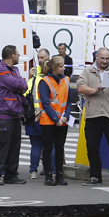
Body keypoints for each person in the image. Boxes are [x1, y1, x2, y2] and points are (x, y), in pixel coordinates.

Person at [77, 47, 109, 187]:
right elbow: (80, 88)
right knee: (92, 147)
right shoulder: (88, 71)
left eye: (107, 58)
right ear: (97, 57)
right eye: (102, 58)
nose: (105, 61)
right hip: (92, 115)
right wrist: (95, 90)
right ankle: (95, 176)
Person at [0, 44, 28, 185]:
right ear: (12, 56)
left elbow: (20, 85)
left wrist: (20, 84)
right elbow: (18, 84)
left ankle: (11, 175)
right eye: (17, 54)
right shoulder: (0, 70)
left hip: (14, 113)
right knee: (2, 146)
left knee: (14, 146)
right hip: (4, 113)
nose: (19, 56)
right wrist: (21, 84)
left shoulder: (14, 70)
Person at [38, 56, 72, 186]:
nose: (64, 68)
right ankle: (48, 176)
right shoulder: (45, 82)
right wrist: (56, 119)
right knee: (47, 148)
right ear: (54, 68)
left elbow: (69, 101)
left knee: (59, 148)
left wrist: (66, 116)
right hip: (48, 121)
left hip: (62, 121)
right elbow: (45, 103)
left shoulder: (67, 80)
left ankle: (59, 175)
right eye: (61, 66)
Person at [24, 48, 52, 179]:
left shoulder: (33, 78)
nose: (40, 60)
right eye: (39, 58)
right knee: (47, 146)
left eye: (42, 58)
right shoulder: (51, 77)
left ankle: (33, 171)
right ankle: (49, 169)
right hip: (45, 117)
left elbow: (24, 95)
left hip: (35, 117)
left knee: (36, 146)